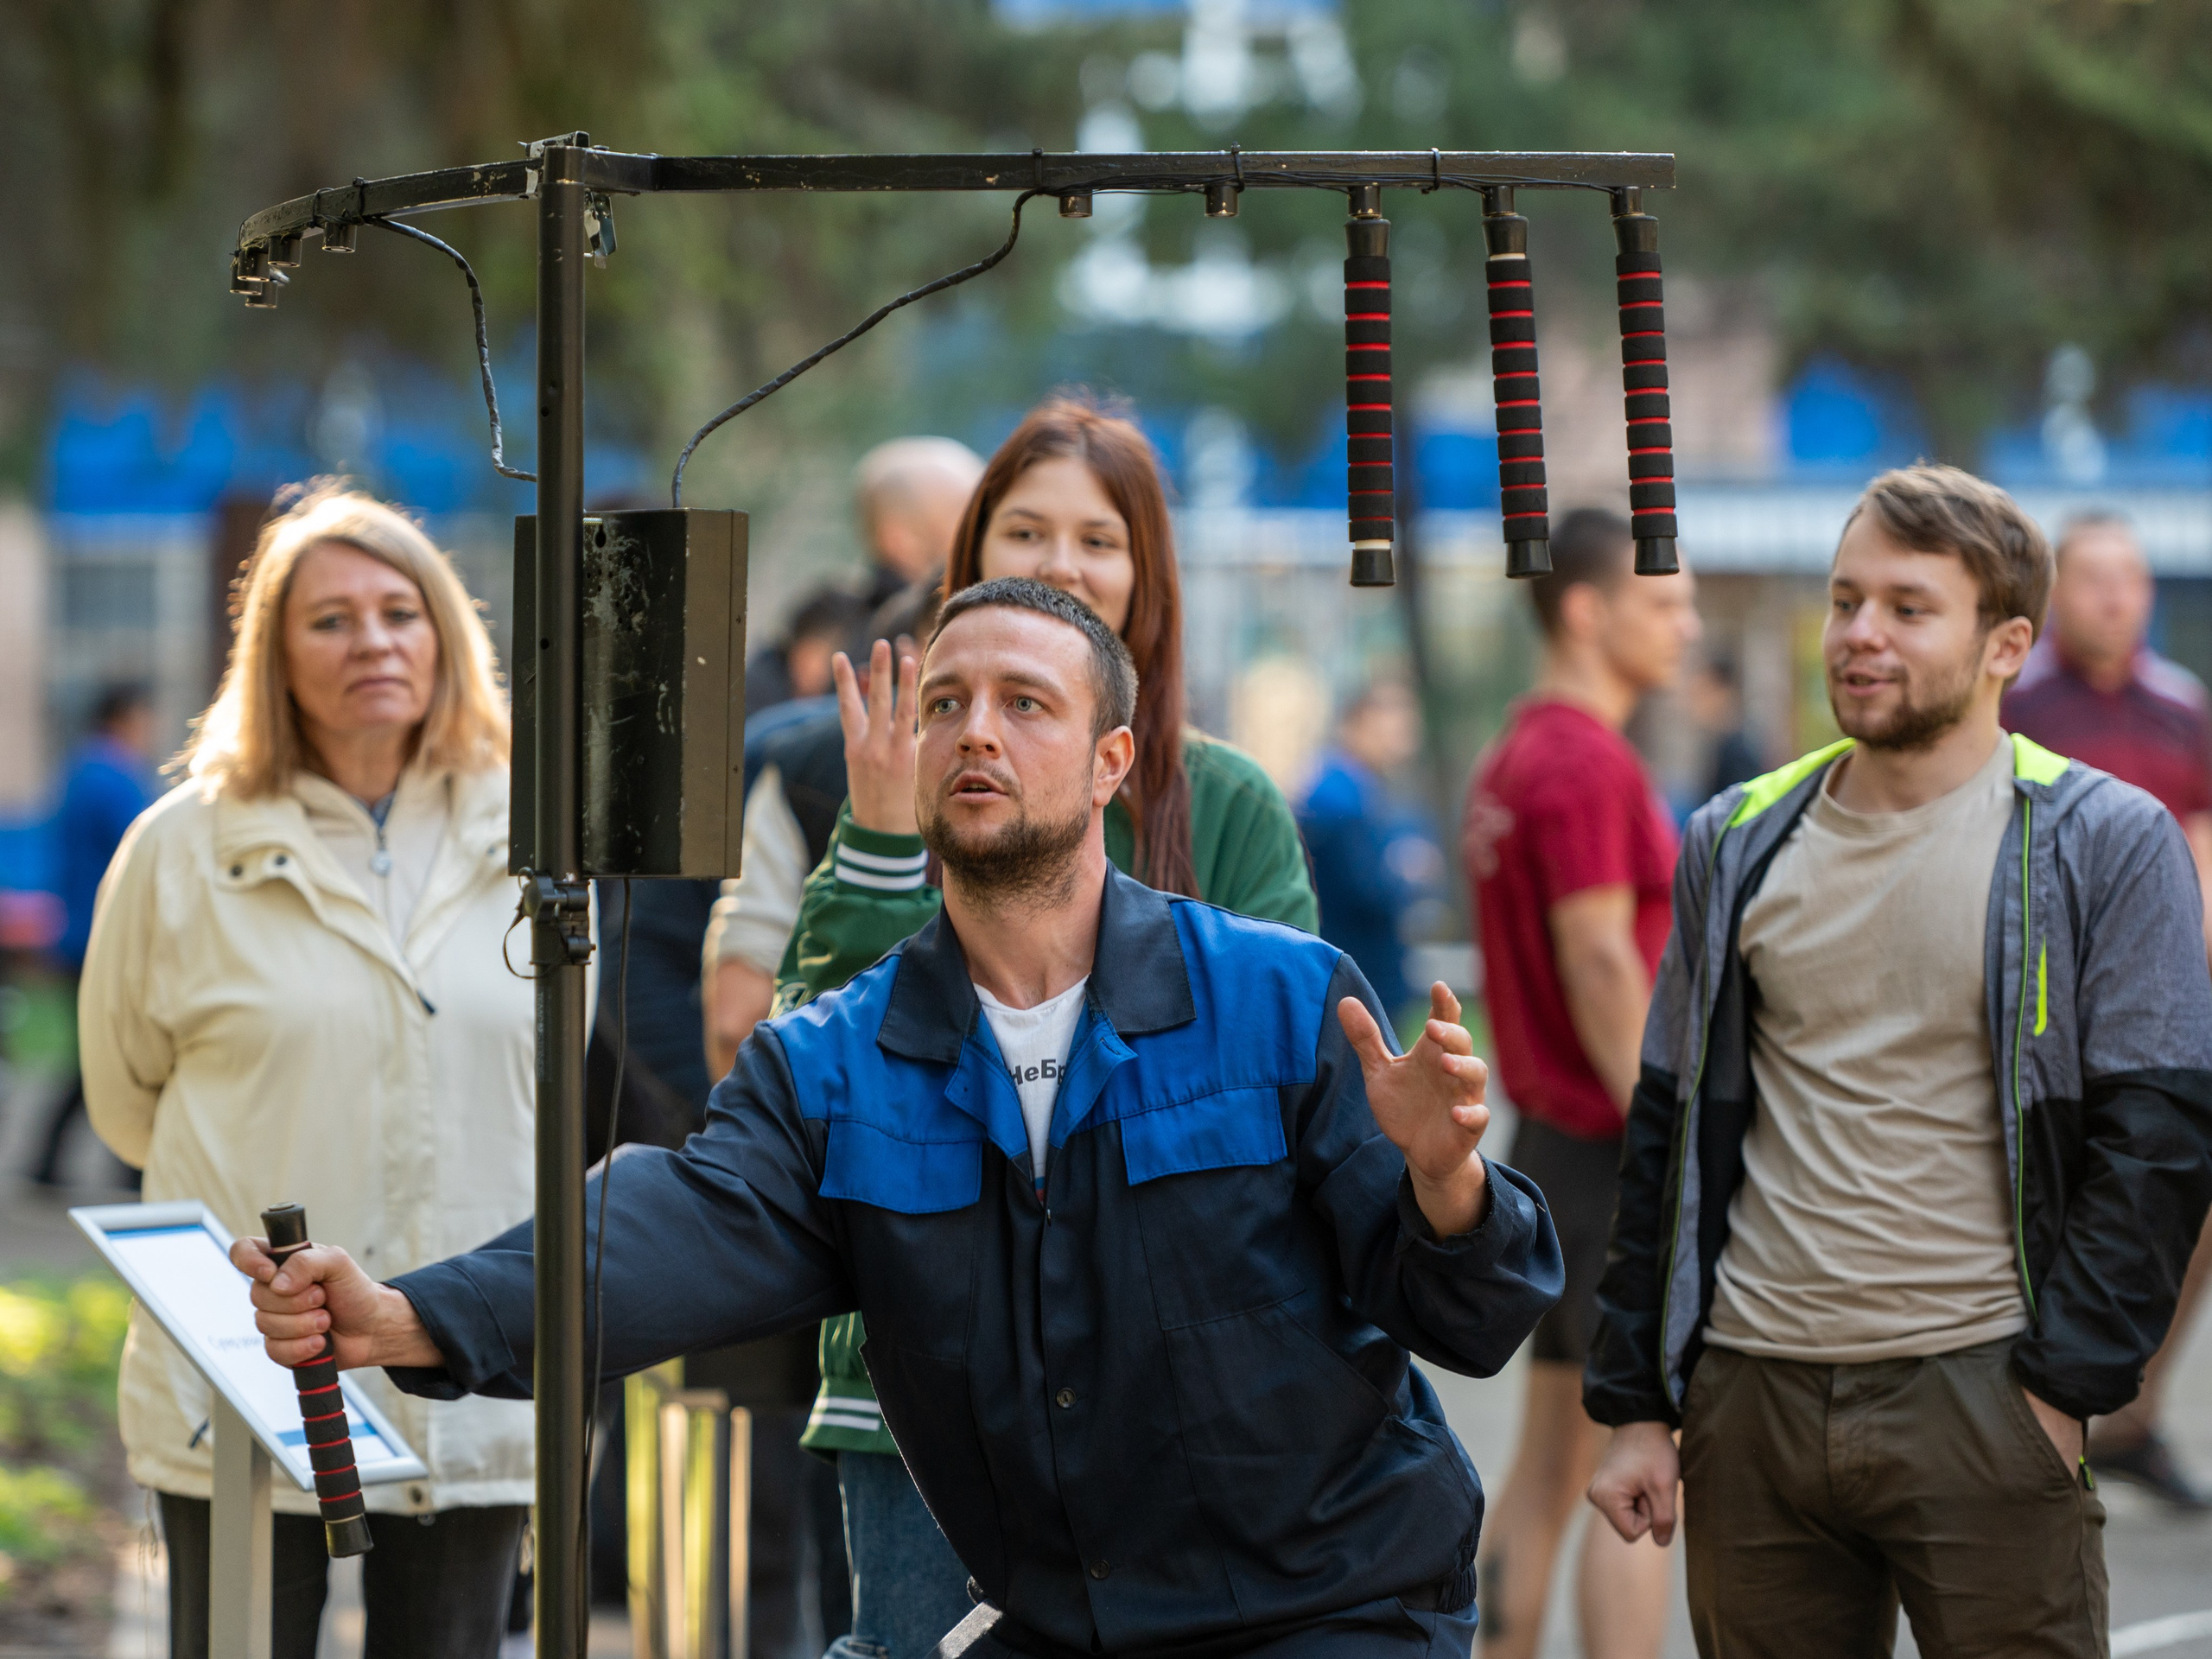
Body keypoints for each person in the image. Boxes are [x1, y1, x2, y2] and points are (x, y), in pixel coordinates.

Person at [237, 576, 1565, 1659]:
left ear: (1111, 762)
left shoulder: (1278, 1002)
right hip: (1071, 1619)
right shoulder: (835, 1064)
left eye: (1024, 703)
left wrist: (1450, 1185)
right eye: (947, 703)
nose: (976, 730)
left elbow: (1476, 1320)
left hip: (1336, 1610)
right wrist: (414, 1316)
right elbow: (670, 1224)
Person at [1586, 465, 2212, 1658]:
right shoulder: (1735, 842)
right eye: (1845, 600)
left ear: (2005, 645)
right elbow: (1667, 1134)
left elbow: (2163, 1139)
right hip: (1753, 1399)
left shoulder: (2102, 841)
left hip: (1985, 1392)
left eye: (1909, 608)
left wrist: (2060, 1391)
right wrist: (1636, 1405)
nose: (1861, 635)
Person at [782, 397, 1320, 1659]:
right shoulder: (885, 779)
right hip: (923, 1384)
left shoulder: (1225, 803)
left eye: (1099, 538)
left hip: (1169, 1377)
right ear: (965, 561)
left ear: (1150, 579)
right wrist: (871, 844)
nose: (1060, 565)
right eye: (1025, 531)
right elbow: (806, 1087)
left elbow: (1287, 1074)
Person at [79, 486, 544, 1659]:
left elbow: (573, 1083)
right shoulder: (181, 848)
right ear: (274, 653)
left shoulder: (541, 834)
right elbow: (124, 1095)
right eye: (331, 619)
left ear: (446, 633)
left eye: (401, 610)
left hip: (468, 1368)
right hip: (246, 1380)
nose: (374, 641)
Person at [1459, 507, 1699, 1659]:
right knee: (1642, 1467)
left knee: (1554, 1466)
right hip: (1610, 1153)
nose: (1687, 626)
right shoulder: (1585, 759)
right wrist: (1677, 1130)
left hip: (1551, 1147)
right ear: (1590, 610)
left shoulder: (1513, 755)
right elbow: (1601, 959)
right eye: (1665, 603)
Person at [2002, 512, 2212, 1509]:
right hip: (2047, 1004)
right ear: (2054, 595)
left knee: (2183, 1193)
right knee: (2050, 1197)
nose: (2115, 596)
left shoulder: (2184, 708)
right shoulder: (2013, 703)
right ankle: (2038, 1412)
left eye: (2130, 578)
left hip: (2161, 1003)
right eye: (2093, 579)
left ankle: (2129, 1413)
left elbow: (2203, 848)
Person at [29, 681, 156, 1187]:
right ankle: (124, 1169)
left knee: (96, 1052)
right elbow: (148, 851)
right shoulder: (113, 777)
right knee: (116, 1053)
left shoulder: (79, 771)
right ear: (125, 717)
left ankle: (62, 1163)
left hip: (75, 935)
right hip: (105, 939)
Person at [1296, 681, 1443, 1026]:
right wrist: (1407, 873)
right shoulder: (1338, 796)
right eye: (1391, 716)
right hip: (1353, 976)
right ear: (1357, 722)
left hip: (1363, 975)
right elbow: (1368, 889)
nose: (1403, 730)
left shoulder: (1368, 789)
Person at [746, 586, 876, 717]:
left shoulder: (838, 700)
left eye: (828, 660)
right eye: (813, 654)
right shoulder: (758, 686)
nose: (816, 669)